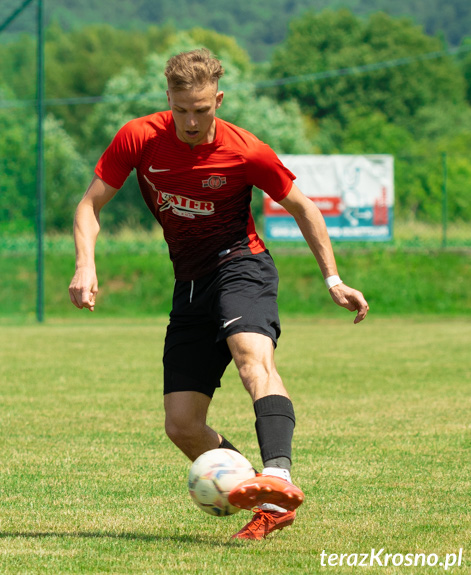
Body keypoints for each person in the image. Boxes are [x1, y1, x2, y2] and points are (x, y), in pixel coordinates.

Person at [68, 48, 369, 540]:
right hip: (188, 285)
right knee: (182, 425)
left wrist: (333, 280)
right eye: (181, 109)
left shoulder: (245, 149)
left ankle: (278, 474)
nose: (190, 120)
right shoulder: (138, 138)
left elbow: (303, 207)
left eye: (202, 110)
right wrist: (86, 264)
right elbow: (89, 206)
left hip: (241, 265)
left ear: (219, 100)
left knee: (253, 359)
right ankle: (265, 498)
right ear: (168, 98)